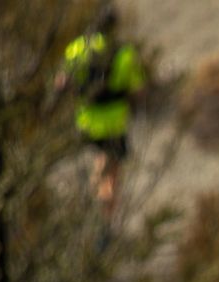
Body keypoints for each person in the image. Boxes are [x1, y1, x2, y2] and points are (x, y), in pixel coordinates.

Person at [61, 6, 147, 221]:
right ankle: (105, 217)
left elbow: (62, 82)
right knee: (112, 169)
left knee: (100, 160)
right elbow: (138, 88)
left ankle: (95, 202)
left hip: (87, 119)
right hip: (114, 121)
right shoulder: (124, 52)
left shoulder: (77, 48)